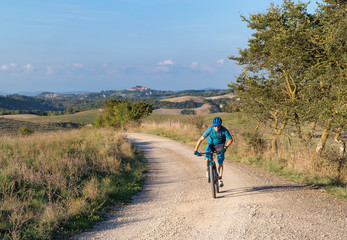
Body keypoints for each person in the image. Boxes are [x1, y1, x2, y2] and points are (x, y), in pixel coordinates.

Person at [194, 116, 233, 187]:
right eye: (215, 126)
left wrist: (225, 147)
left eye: (218, 126)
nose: (216, 128)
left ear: (221, 125)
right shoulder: (210, 130)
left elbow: (230, 139)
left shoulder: (224, 130)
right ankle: (208, 170)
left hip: (220, 146)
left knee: (220, 162)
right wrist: (196, 150)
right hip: (210, 145)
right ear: (213, 125)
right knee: (207, 159)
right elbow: (200, 139)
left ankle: (220, 179)